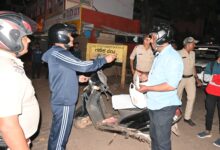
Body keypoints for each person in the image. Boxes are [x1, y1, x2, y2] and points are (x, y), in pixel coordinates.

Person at [42, 23, 116, 150]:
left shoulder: (57, 54)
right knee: (61, 136)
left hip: (62, 98)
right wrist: (104, 60)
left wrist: (76, 78)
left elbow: (60, 73)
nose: (72, 38)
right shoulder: (59, 53)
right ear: (61, 37)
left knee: (58, 131)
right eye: (70, 36)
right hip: (64, 100)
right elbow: (82, 65)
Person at [137, 23, 183, 150]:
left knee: (162, 142)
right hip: (155, 103)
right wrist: (147, 76)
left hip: (164, 106)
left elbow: (170, 85)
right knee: (154, 137)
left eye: (153, 37)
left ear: (162, 38)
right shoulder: (160, 54)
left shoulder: (173, 57)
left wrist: (147, 88)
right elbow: (160, 75)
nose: (151, 40)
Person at [0, 11, 40, 149]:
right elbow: (8, 126)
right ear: (9, 36)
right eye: (24, 36)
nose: (29, 40)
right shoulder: (6, 69)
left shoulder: (7, 62)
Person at [177, 37, 203, 126]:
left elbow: (193, 67)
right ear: (188, 44)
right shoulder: (178, 53)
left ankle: (187, 118)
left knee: (192, 97)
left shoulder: (193, 53)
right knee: (177, 98)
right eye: (193, 44)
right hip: (180, 79)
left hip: (191, 79)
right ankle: (174, 115)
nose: (195, 45)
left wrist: (197, 79)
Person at [197, 51, 220, 147]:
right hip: (211, 93)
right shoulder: (211, 65)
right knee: (209, 113)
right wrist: (216, 78)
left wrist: (215, 78)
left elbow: (211, 78)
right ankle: (207, 131)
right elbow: (206, 78)